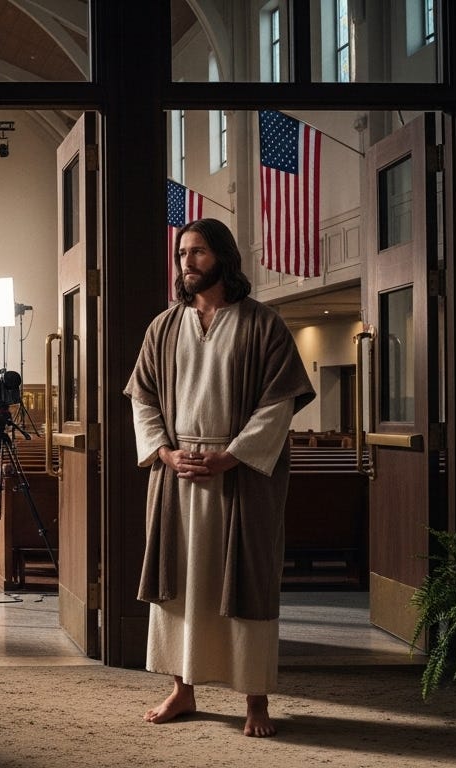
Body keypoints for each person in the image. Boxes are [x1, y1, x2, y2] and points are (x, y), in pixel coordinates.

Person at [123, 217, 315, 738]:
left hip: (241, 479)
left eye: (199, 251)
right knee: (181, 583)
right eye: (182, 252)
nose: (187, 262)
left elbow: (279, 405)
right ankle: (182, 689)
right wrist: (164, 453)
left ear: (223, 258)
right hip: (178, 477)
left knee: (247, 584)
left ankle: (256, 699)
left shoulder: (262, 324)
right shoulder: (162, 327)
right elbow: (142, 400)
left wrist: (231, 457)